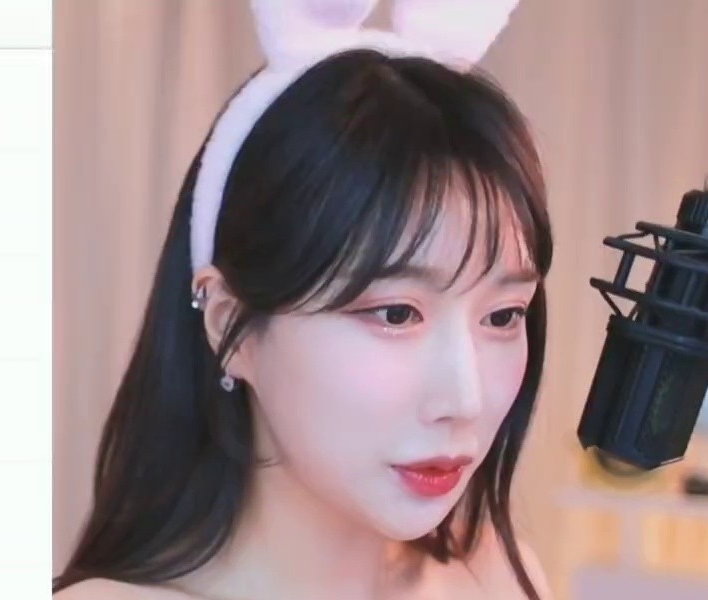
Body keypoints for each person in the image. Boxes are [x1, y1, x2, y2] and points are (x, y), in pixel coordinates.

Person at [55, 0, 552, 598]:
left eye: (503, 316)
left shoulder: (499, 581)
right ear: (229, 324)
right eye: (396, 314)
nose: (464, 400)